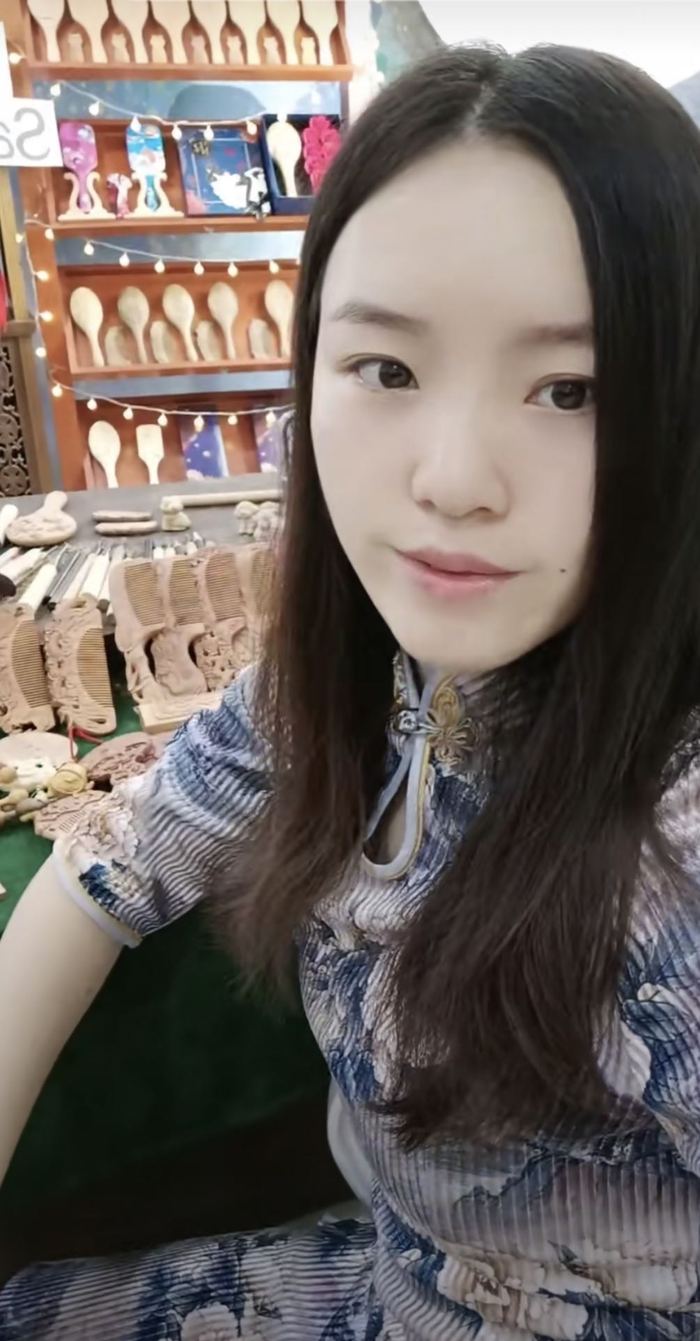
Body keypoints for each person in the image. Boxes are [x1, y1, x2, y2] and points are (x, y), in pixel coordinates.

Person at [2, 40, 700, 1340]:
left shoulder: (674, 840)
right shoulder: (366, 677)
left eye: (573, 389)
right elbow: (110, 870)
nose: (452, 479)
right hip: (388, 1277)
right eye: (387, 369)